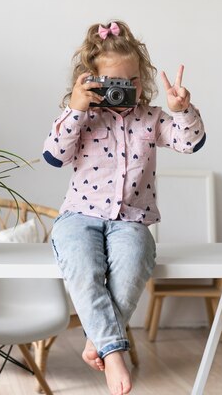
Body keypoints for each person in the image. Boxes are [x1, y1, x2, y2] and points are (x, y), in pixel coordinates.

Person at [42, 20, 206, 395]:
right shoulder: (83, 116)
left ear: (142, 78)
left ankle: (96, 340)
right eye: (113, 83)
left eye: (131, 82)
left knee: (133, 264)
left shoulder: (151, 118)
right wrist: (74, 108)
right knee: (84, 269)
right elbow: (53, 155)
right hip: (78, 216)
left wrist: (182, 109)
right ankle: (113, 350)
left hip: (132, 220)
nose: (124, 90)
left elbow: (190, 142)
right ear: (92, 80)